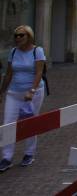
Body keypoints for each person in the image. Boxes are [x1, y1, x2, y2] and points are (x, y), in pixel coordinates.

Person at [0, 26, 46, 171]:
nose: (17, 38)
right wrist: (1, 92)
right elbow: (8, 74)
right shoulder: (13, 52)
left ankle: (29, 153)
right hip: (14, 92)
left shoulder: (37, 51)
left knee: (30, 122)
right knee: (8, 123)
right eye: (16, 36)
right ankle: (6, 157)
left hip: (33, 93)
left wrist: (32, 91)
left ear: (29, 36)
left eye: (21, 35)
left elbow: (39, 73)